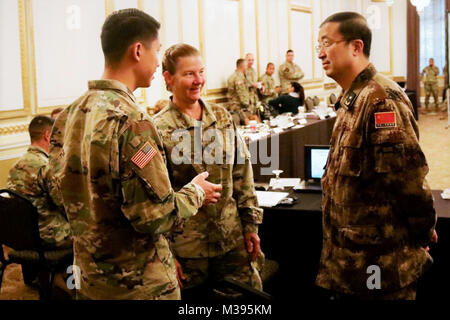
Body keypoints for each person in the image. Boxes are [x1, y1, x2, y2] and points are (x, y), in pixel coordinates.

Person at [47, 9, 221, 300]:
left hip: (89, 277)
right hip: (138, 283)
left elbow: (58, 192)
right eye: (157, 51)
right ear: (138, 50)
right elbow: (155, 217)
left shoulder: (71, 114)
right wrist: (196, 192)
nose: (157, 62)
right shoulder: (132, 121)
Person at [316, 12, 437, 300]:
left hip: (381, 264)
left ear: (356, 47)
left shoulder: (381, 100)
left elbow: (407, 181)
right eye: (317, 45)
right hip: (351, 264)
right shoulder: (352, 99)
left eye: (326, 43)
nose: (320, 53)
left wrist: (422, 233)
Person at [155, 43, 264, 293]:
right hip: (187, 248)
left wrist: (250, 225)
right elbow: (156, 199)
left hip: (231, 241)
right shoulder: (158, 129)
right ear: (168, 78)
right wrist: (167, 254)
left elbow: (241, 174)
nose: (198, 80)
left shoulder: (222, 117)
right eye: (189, 74)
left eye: (201, 72)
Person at [7, 115, 72, 249]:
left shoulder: (15, 166)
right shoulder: (46, 167)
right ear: (48, 136)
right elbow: (65, 204)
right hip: (49, 235)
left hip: (23, 234)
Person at [227, 58, 252, 124]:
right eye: (246, 66)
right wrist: (247, 106)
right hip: (238, 107)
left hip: (232, 106)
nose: (247, 68)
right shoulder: (239, 77)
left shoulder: (231, 76)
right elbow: (241, 93)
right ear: (243, 66)